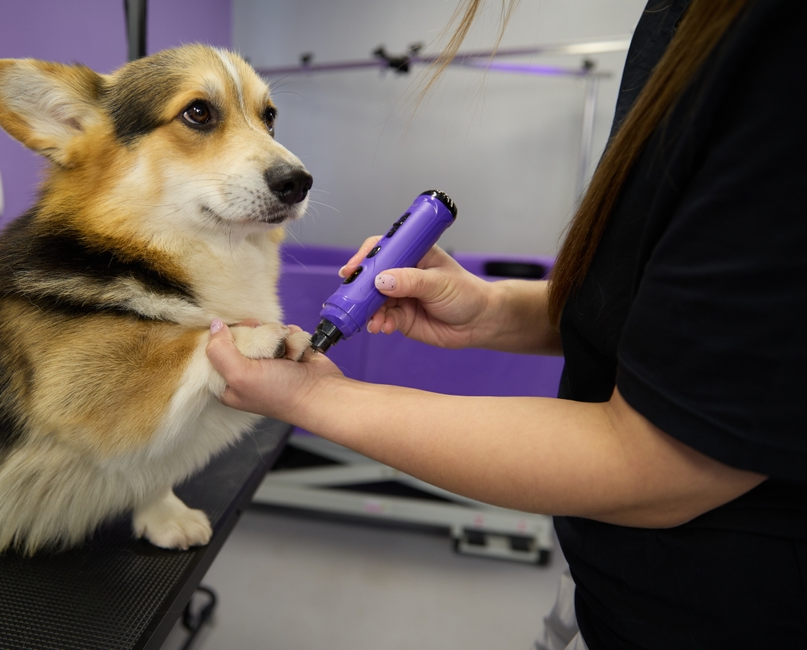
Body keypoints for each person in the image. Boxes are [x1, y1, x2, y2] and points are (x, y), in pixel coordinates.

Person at [206, 0, 807, 646]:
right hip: (612, 587)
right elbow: (682, 316)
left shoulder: (778, 45)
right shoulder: (677, 18)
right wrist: (495, 309)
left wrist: (317, 395)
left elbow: (668, 460)